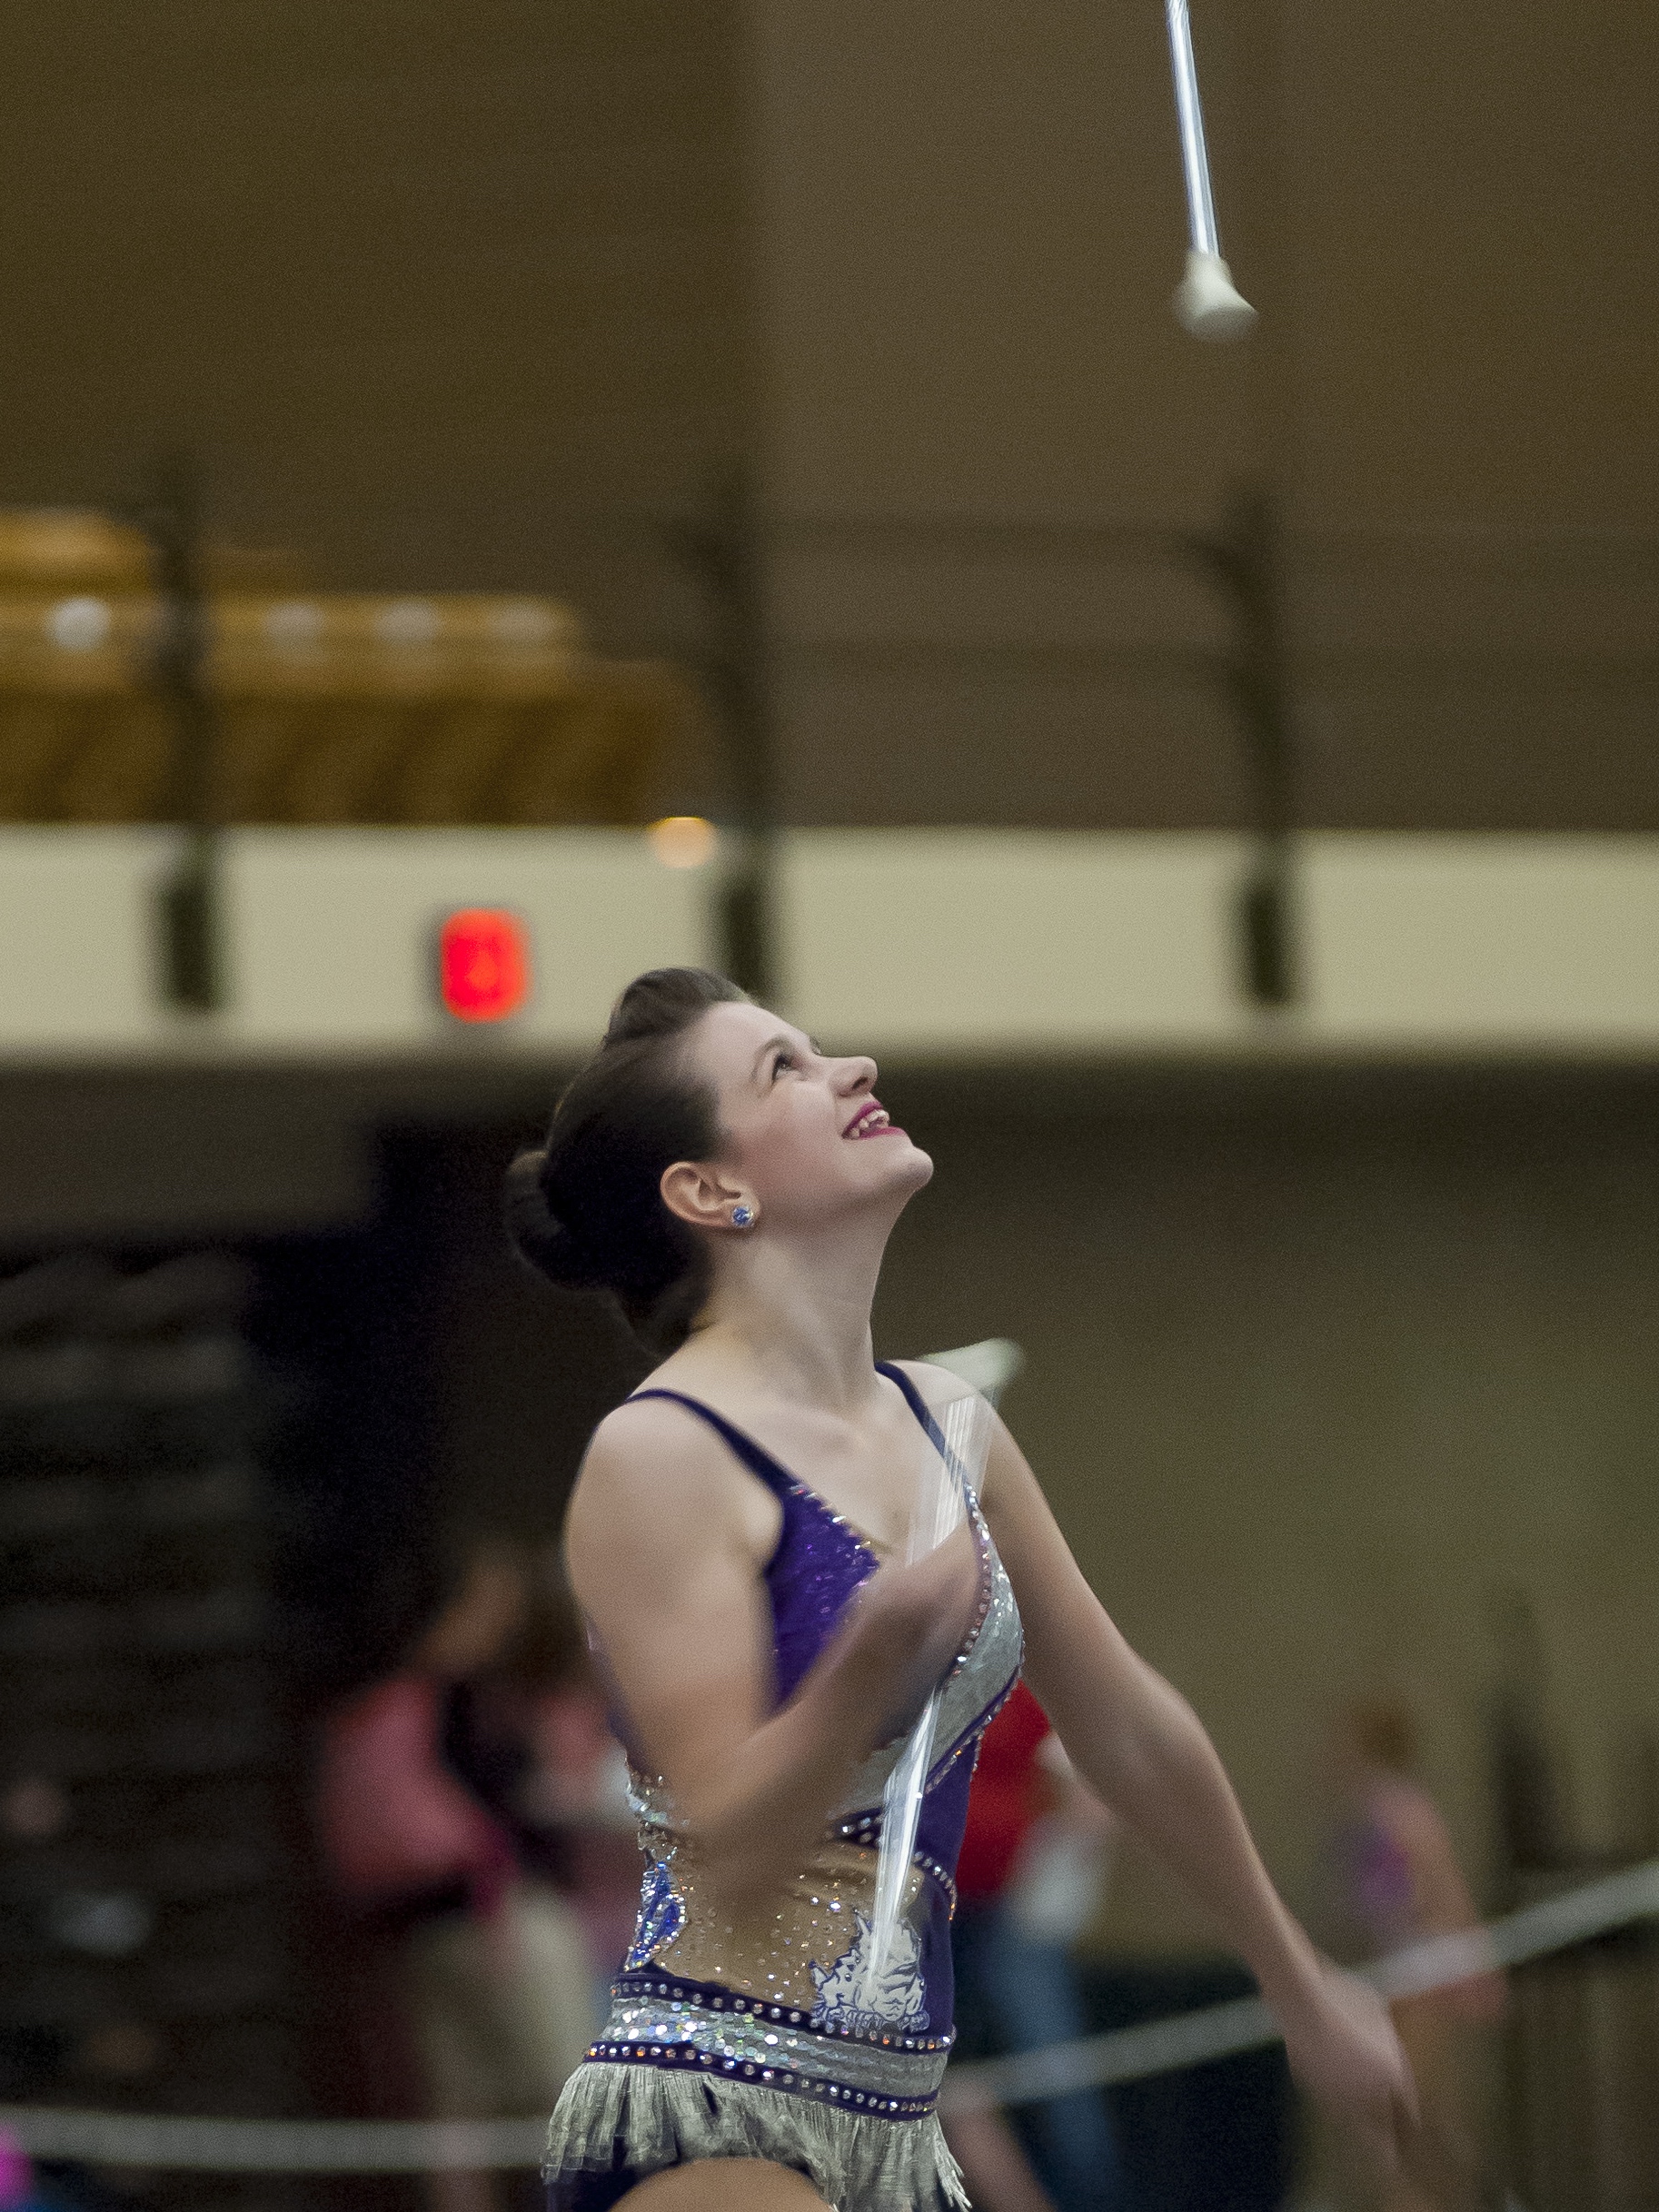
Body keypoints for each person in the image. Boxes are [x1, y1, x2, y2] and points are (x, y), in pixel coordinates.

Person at [506, 968, 1415, 2212]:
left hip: (895, 2126)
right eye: (784, 1067)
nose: (853, 1069)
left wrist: (1300, 1982)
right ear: (710, 1189)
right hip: (717, 2108)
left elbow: (1127, 1726)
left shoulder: (951, 1423)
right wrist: (865, 1667)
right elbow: (722, 1849)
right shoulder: (663, 1452)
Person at [314, 1541, 599, 2212]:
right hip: (497, 1919)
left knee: (461, 2115)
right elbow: (525, 1796)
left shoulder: (385, 1696)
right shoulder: (458, 1695)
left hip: (425, 1927)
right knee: (560, 2093)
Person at [949, 1682, 1127, 2212]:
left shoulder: (1021, 1688)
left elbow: (1096, 1791)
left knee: (1051, 2074)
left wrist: (1049, 1867)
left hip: (1004, 1919)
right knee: (956, 2088)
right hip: (920, 1920)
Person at [1326, 1702, 1505, 2212]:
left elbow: (1440, 1892)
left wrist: (1472, 1964)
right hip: (1404, 1975)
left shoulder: (1397, 1810)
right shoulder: (1376, 1812)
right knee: (1412, 2115)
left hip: (1421, 1977)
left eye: (1342, 1740)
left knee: (1405, 2116)